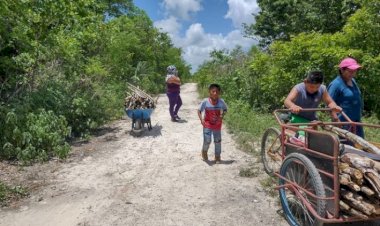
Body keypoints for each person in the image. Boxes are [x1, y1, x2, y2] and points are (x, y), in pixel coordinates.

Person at [328, 57, 364, 138]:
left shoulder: (353, 81)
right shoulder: (336, 84)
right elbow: (329, 103)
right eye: (350, 71)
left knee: (361, 145)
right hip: (344, 122)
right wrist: (336, 120)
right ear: (342, 70)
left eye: (355, 71)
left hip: (356, 121)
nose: (353, 73)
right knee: (348, 147)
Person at [198, 84, 228, 163]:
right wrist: (201, 120)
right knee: (207, 140)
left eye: (217, 91)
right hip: (207, 124)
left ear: (219, 93)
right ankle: (204, 152)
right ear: (209, 92)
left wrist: (222, 115)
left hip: (217, 125)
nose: (215, 93)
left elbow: (225, 109)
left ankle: (217, 157)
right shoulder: (205, 101)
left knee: (217, 141)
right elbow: (199, 111)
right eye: (213, 91)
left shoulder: (221, 102)